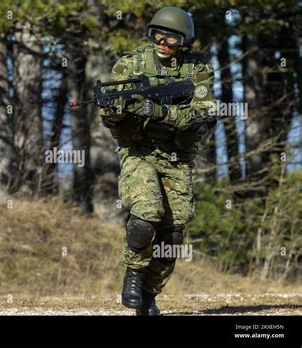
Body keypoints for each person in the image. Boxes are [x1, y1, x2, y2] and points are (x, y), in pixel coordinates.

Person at [99, 6, 217, 315]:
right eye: (157, 36)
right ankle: (134, 274)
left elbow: (205, 112)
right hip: (139, 151)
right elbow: (110, 114)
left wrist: (160, 111)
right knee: (146, 214)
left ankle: (150, 294)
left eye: (171, 40)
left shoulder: (198, 70)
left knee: (173, 233)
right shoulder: (129, 66)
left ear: (184, 42)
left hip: (178, 157)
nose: (163, 43)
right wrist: (116, 112)